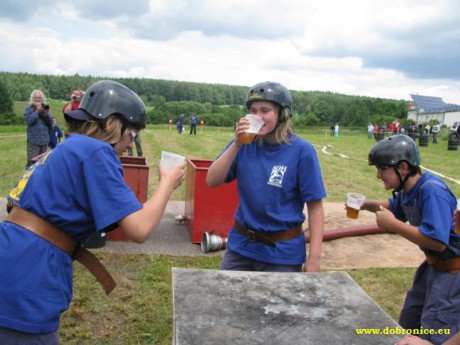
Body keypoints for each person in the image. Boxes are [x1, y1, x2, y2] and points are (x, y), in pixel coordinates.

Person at [0, 80, 185, 344]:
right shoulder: (95, 150)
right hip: (26, 282)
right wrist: (167, 183)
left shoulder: (67, 148)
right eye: (130, 135)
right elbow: (139, 228)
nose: (129, 145)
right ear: (111, 123)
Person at [206, 81, 326, 273]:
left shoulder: (302, 152)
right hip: (241, 247)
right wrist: (236, 144)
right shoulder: (244, 144)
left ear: (282, 114)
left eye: (265, 110)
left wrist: (314, 258)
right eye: (253, 111)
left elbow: (315, 207)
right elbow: (211, 180)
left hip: (282, 253)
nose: (257, 117)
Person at [363, 134, 459, 345]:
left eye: (382, 168)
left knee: (437, 331)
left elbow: (437, 241)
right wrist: (366, 204)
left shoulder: (432, 191)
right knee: (410, 322)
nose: (379, 175)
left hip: (451, 274)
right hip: (432, 268)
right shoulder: (408, 190)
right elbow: (393, 208)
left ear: (403, 168)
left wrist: (393, 225)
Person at [24, 89, 53, 168]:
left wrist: (46, 113)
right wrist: (37, 111)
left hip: (44, 140)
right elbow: (29, 121)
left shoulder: (45, 108)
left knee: (43, 162)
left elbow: (50, 122)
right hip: (34, 141)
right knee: (32, 163)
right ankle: (29, 179)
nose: (38, 99)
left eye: (39, 97)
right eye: (36, 97)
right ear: (32, 98)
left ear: (42, 99)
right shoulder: (28, 109)